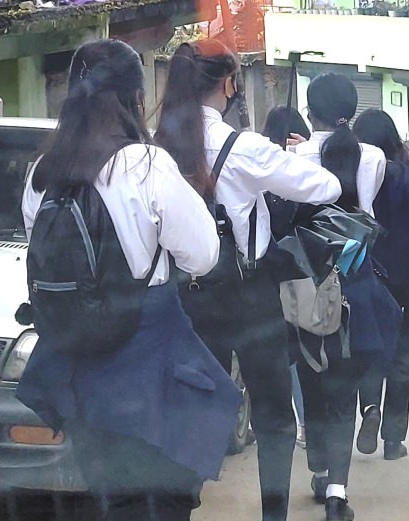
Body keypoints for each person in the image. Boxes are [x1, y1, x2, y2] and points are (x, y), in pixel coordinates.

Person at [16, 39, 240, 521]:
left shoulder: (42, 173)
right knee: (156, 499)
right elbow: (202, 255)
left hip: (75, 368)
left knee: (106, 496)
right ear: (135, 99)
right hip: (148, 364)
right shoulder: (144, 165)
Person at [154, 40, 342, 521]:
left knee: (196, 407)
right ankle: (272, 514)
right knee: (274, 414)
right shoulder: (245, 148)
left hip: (187, 298)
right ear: (228, 84)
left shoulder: (156, 150)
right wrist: (302, 158)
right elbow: (326, 188)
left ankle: (180, 506)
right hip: (250, 295)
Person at [290, 72, 388, 521]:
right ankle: (336, 493)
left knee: (312, 374)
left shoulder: (292, 155)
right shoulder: (373, 156)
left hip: (307, 280)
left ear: (310, 111)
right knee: (345, 382)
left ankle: (318, 465)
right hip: (355, 277)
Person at [353, 109, 409, 461]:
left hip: (365, 275)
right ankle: (393, 440)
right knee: (403, 357)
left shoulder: (352, 176)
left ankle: (370, 407)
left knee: (369, 348)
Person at [260, 104, 313, 449]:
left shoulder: (259, 168)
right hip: (306, 271)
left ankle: (296, 423)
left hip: (268, 273)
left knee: (287, 352)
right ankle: (311, 421)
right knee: (310, 347)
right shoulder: (305, 168)